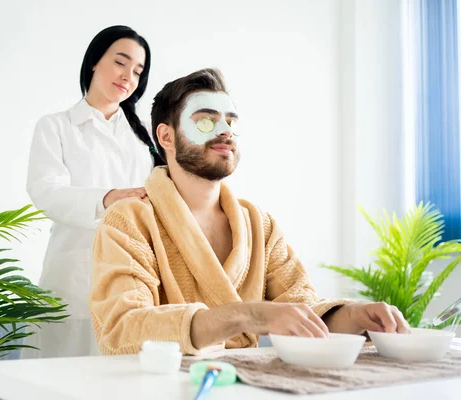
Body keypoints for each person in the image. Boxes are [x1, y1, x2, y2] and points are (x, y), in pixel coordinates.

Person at [89, 68, 411, 355]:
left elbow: (304, 310)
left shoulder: (259, 225)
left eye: (230, 121)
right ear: (166, 137)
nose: (225, 130)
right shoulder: (129, 221)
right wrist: (248, 315)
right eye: (205, 120)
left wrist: (354, 315)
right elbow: (122, 330)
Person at [23, 25, 164, 358]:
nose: (128, 76)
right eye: (120, 62)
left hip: (131, 282)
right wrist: (107, 198)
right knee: (57, 381)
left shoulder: (144, 140)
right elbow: (46, 192)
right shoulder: (55, 126)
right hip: (71, 279)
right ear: (94, 63)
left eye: (138, 71)